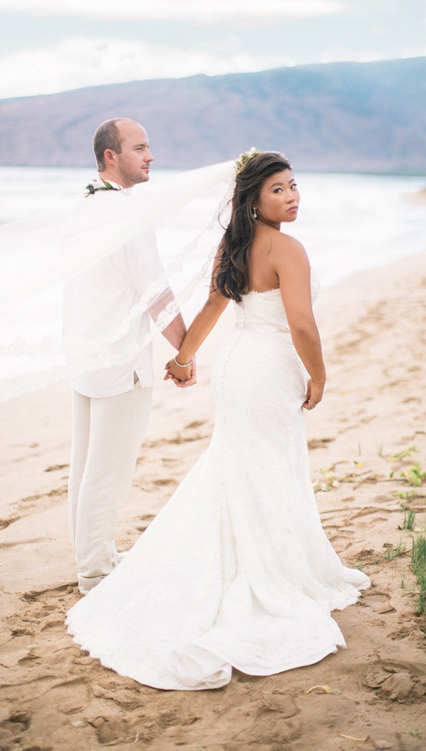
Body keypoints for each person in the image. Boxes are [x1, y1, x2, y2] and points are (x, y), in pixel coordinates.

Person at [66, 150, 370, 689]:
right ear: (252, 198)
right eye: (278, 189)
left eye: (294, 185)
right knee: (269, 467)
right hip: (270, 369)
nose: (292, 195)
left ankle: (256, 560)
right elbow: (301, 323)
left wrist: (185, 356)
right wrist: (318, 376)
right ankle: (270, 573)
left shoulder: (232, 245)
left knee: (241, 464)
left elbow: (213, 307)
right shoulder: (288, 249)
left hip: (237, 367)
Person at [64, 117, 195, 595]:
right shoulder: (125, 214)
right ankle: (95, 573)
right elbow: (156, 294)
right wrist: (185, 351)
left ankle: (92, 556)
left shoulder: (83, 208)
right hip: (121, 362)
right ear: (111, 157)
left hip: (86, 356)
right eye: (140, 147)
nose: (151, 156)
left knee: (84, 468)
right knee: (108, 474)